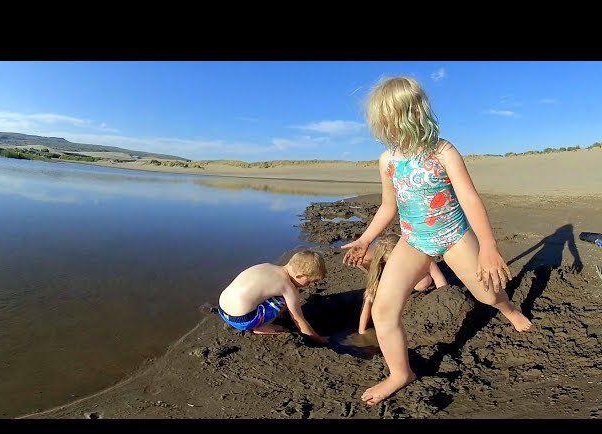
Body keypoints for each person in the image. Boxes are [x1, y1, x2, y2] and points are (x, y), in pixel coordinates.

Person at [341, 76, 532, 406]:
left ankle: (509, 309)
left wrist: (488, 247)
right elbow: (389, 206)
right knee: (384, 311)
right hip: (414, 241)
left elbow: (470, 199)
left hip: (454, 236)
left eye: (393, 117)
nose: (388, 126)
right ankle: (401, 373)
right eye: (382, 120)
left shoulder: (443, 151)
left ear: (415, 112)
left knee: (487, 294)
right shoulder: (388, 160)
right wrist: (365, 238)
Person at [217, 250, 329, 344]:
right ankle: (262, 327)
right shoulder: (288, 287)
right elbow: (298, 319)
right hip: (243, 320)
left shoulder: (267, 266)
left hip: (223, 310)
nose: (309, 285)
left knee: (264, 293)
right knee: (283, 300)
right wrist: (317, 338)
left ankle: (266, 317)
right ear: (299, 275)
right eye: (309, 281)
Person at [357, 233, 448, 334]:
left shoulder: (420, 258)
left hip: (424, 297)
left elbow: (439, 279)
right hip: (400, 307)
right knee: (370, 293)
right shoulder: (384, 271)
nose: (397, 266)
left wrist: (444, 301)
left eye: (398, 263)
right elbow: (370, 294)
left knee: (422, 282)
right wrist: (362, 331)